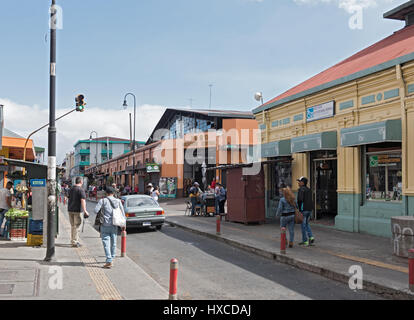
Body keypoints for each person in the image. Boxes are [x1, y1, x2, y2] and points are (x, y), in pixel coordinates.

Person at [94, 187, 126, 269]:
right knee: (114, 242)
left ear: (106, 193)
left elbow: (95, 210)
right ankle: (112, 257)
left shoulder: (103, 201)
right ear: (113, 193)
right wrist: (123, 224)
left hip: (105, 224)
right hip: (115, 224)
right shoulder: (118, 201)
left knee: (106, 242)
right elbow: (123, 213)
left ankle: (109, 260)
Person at [67, 177, 89, 247]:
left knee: (73, 226)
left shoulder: (71, 189)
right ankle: (74, 242)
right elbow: (83, 200)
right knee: (76, 226)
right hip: (77, 210)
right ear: (81, 182)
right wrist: (85, 210)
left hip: (70, 210)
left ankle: (73, 240)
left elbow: (68, 197)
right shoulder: (81, 190)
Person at [297, 177, 315, 246]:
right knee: (307, 224)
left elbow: (300, 200)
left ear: (303, 183)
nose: (298, 183)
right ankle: (311, 237)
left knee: (303, 226)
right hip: (309, 209)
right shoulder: (309, 189)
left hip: (303, 210)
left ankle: (305, 241)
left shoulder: (301, 190)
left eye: (299, 181)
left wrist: (299, 209)